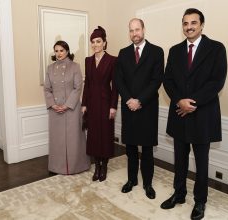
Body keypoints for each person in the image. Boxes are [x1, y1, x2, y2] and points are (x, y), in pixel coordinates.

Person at [160, 8, 227, 220]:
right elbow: (167, 80)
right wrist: (180, 101)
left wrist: (192, 103)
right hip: (179, 113)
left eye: (193, 23)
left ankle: (200, 201)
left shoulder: (216, 49)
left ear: (202, 25)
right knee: (179, 160)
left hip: (202, 116)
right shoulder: (175, 50)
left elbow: (217, 81)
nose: (189, 27)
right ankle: (179, 194)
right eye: (185, 23)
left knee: (201, 162)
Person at [115, 18, 164, 199]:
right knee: (131, 147)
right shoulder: (123, 53)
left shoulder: (156, 52)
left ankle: (148, 184)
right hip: (129, 107)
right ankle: (131, 180)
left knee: (147, 148)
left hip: (147, 107)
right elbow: (118, 79)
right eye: (131, 30)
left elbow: (156, 80)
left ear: (144, 29)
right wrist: (129, 99)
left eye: (137, 29)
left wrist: (140, 100)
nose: (134, 33)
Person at [44, 40, 90, 175]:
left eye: (61, 50)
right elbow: (47, 89)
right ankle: (57, 167)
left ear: (67, 51)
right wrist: (53, 104)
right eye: (56, 51)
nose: (59, 53)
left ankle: (77, 166)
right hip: (55, 110)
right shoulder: (50, 68)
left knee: (74, 138)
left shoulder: (75, 66)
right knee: (57, 139)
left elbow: (78, 87)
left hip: (72, 108)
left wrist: (67, 105)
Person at [81, 26, 118, 182]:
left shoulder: (113, 60)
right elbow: (87, 84)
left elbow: (115, 86)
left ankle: (104, 166)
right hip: (92, 103)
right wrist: (84, 104)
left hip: (106, 102)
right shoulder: (88, 60)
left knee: (105, 135)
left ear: (104, 43)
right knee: (94, 136)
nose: (95, 44)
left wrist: (113, 106)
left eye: (98, 41)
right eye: (93, 42)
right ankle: (96, 166)